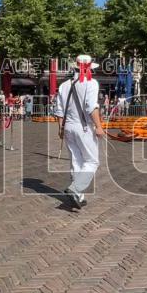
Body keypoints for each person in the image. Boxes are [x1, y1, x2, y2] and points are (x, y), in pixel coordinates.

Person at [54, 55, 105, 208]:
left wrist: (61, 129)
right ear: (89, 68)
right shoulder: (91, 83)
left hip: (68, 127)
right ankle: (75, 188)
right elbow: (91, 107)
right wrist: (99, 126)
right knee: (92, 161)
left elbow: (59, 111)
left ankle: (78, 196)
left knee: (76, 161)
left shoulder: (63, 85)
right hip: (84, 127)